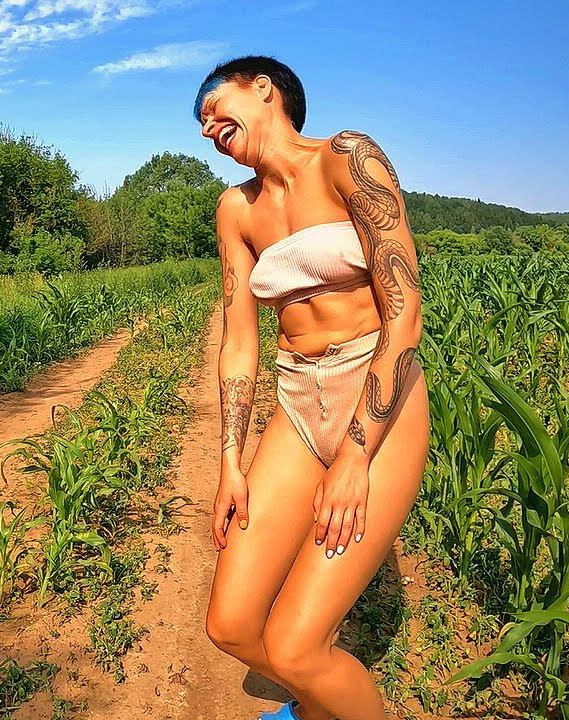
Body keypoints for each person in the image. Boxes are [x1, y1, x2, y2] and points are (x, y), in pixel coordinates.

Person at [195, 55, 431, 720]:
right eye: (200, 124)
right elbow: (240, 343)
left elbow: (405, 314)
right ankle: (324, 707)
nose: (207, 127)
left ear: (263, 89)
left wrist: (355, 455)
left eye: (213, 106)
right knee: (231, 625)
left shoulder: (346, 158)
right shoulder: (235, 210)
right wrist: (230, 463)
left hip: (377, 393)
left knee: (296, 649)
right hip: (298, 400)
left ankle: (324, 698)